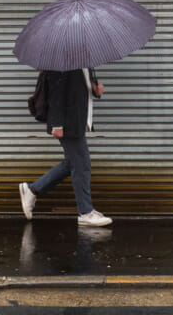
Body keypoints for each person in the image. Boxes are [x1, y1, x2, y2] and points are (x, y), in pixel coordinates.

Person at [18, 67, 112, 227]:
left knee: (73, 163)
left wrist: (96, 91)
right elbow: (56, 93)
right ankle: (85, 212)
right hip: (66, 123)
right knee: (82, 165)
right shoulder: (62, 63)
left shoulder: (84, 63)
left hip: (78, 120)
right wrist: (57, 123)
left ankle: (32, 189)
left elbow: (79, 89)